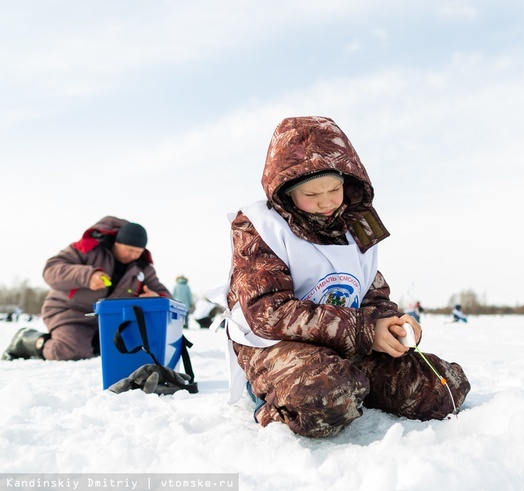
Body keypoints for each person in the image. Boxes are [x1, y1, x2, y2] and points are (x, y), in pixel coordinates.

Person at [214, 116, 470, 438]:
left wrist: (391, 324)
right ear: (286, 194)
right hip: (275, 344)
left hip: (346, 344)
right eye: (311, 194)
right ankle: (273, 396)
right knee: (324, 397)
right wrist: (364, 330)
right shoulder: (258, 227)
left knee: (442, 389)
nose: (326, 202)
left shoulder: (356, 225)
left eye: (334, 189)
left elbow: (372, 293)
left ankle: (354, 384)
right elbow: (269, 312)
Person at [2, 217, 172, 361]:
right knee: (73, 352)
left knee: (125, 351)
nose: (133, 255)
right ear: (117, 243)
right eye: (129, 250)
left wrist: (155, 296)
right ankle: (27, 340)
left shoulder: (142, 268)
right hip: (68, 312)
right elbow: (51, 270)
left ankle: (91, 342)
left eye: (138, 251)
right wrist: (86, 276)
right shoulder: (88, 249)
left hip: (108, 321)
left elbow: (167, 297)